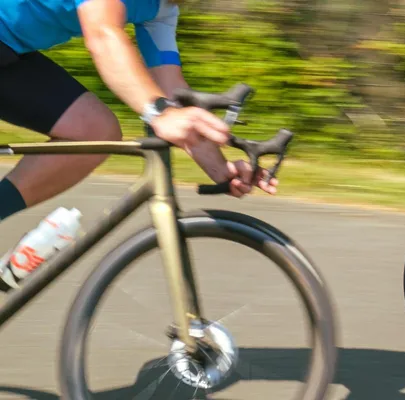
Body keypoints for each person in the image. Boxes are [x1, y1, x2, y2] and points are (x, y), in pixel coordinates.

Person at [0, 0, 276, 278]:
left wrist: (223, 171)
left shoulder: (162, 9)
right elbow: (103, 34)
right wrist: (157, 112)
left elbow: (173, 97)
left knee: (94, 130)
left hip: (9, 50)